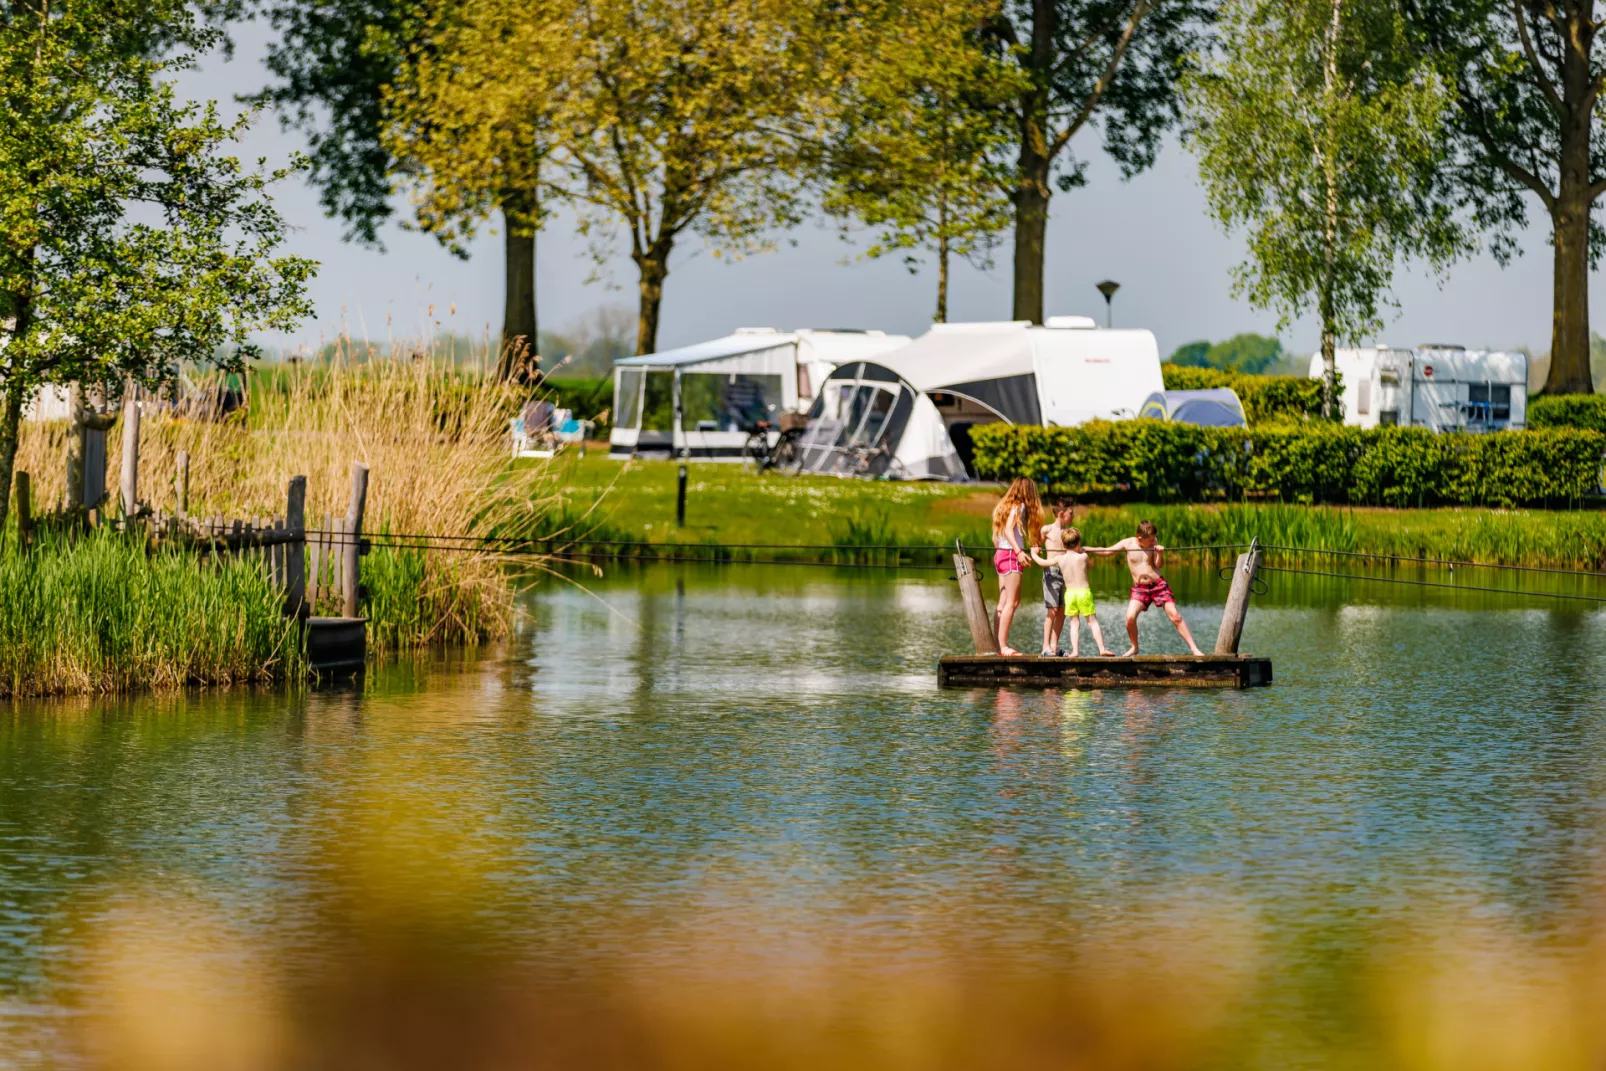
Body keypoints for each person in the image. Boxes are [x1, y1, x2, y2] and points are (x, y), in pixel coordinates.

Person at [1089, 519, 1203, 656]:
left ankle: (1194, 649)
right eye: (1150, 540)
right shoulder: (1128, 543)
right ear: (1139, 539)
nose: (1153, 541)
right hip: (1140, 589)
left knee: (1175, 616)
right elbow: (1106, 552)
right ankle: (1134, 647)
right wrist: (1086, 549)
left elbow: (1158, 565)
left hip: (1158, 585)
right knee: (1130, 617)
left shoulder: (1154, 542)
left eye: (1154, 538)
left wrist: (1160, 553)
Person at [1033, 526, 1113, 658]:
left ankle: (1075, 651)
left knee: (1074, 623)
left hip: (1070, 594)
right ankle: (1102, 648)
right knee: (1092, 621)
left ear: (1063, 544)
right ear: (1079, 543)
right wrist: (1083, 553)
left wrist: (1034, 554)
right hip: (1083, 593)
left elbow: (1042, 563)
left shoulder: (1060, 559)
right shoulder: (1083, 557)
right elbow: (1090, 566)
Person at [990, 477, 1042, 656]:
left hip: (1000, 555)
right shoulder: (1019, 507)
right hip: (1011, 555)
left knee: (1003, 602)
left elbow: (995, 538)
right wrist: (1019, 552)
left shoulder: (1000, 508)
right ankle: (1003, 646)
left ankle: (998, 646)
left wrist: (1003, 553)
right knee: (1012, 602)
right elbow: (1008, 531)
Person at [1032, 499, 1074, 656]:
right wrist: (1036, 550)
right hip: (1051, 572)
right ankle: (1045, 647)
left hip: (1067, 573)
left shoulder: (1069, 532)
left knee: (1063, 611)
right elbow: (1036, 543)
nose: (1074, 516)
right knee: (1053, 609)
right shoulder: (1047, 530)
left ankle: (1054, 647)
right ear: (1062, 514)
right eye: (1071, 513)